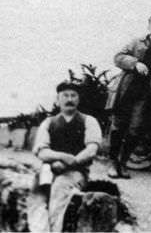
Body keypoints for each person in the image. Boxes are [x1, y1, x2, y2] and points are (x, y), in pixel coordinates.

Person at [105, 14, 151, 179]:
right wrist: (135, 63)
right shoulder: (136, 42)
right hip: (128, 89)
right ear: (149, 27)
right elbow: (118, 58)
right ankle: (113, 163)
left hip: (146, 94)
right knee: (118, 126)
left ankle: (123, 163)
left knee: (136, 129)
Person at [33, 81, 102, 232]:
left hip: (76, 172)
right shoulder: (48, 122)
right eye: (65, 95)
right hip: (50, 170)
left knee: (60, 187)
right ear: (57, 100)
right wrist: (62, 157)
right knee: (35, 190)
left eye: (73, 95)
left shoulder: (88, 121)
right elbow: (41, 151)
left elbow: (91, 150)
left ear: (79, 99)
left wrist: (69, 164)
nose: (69, 99)